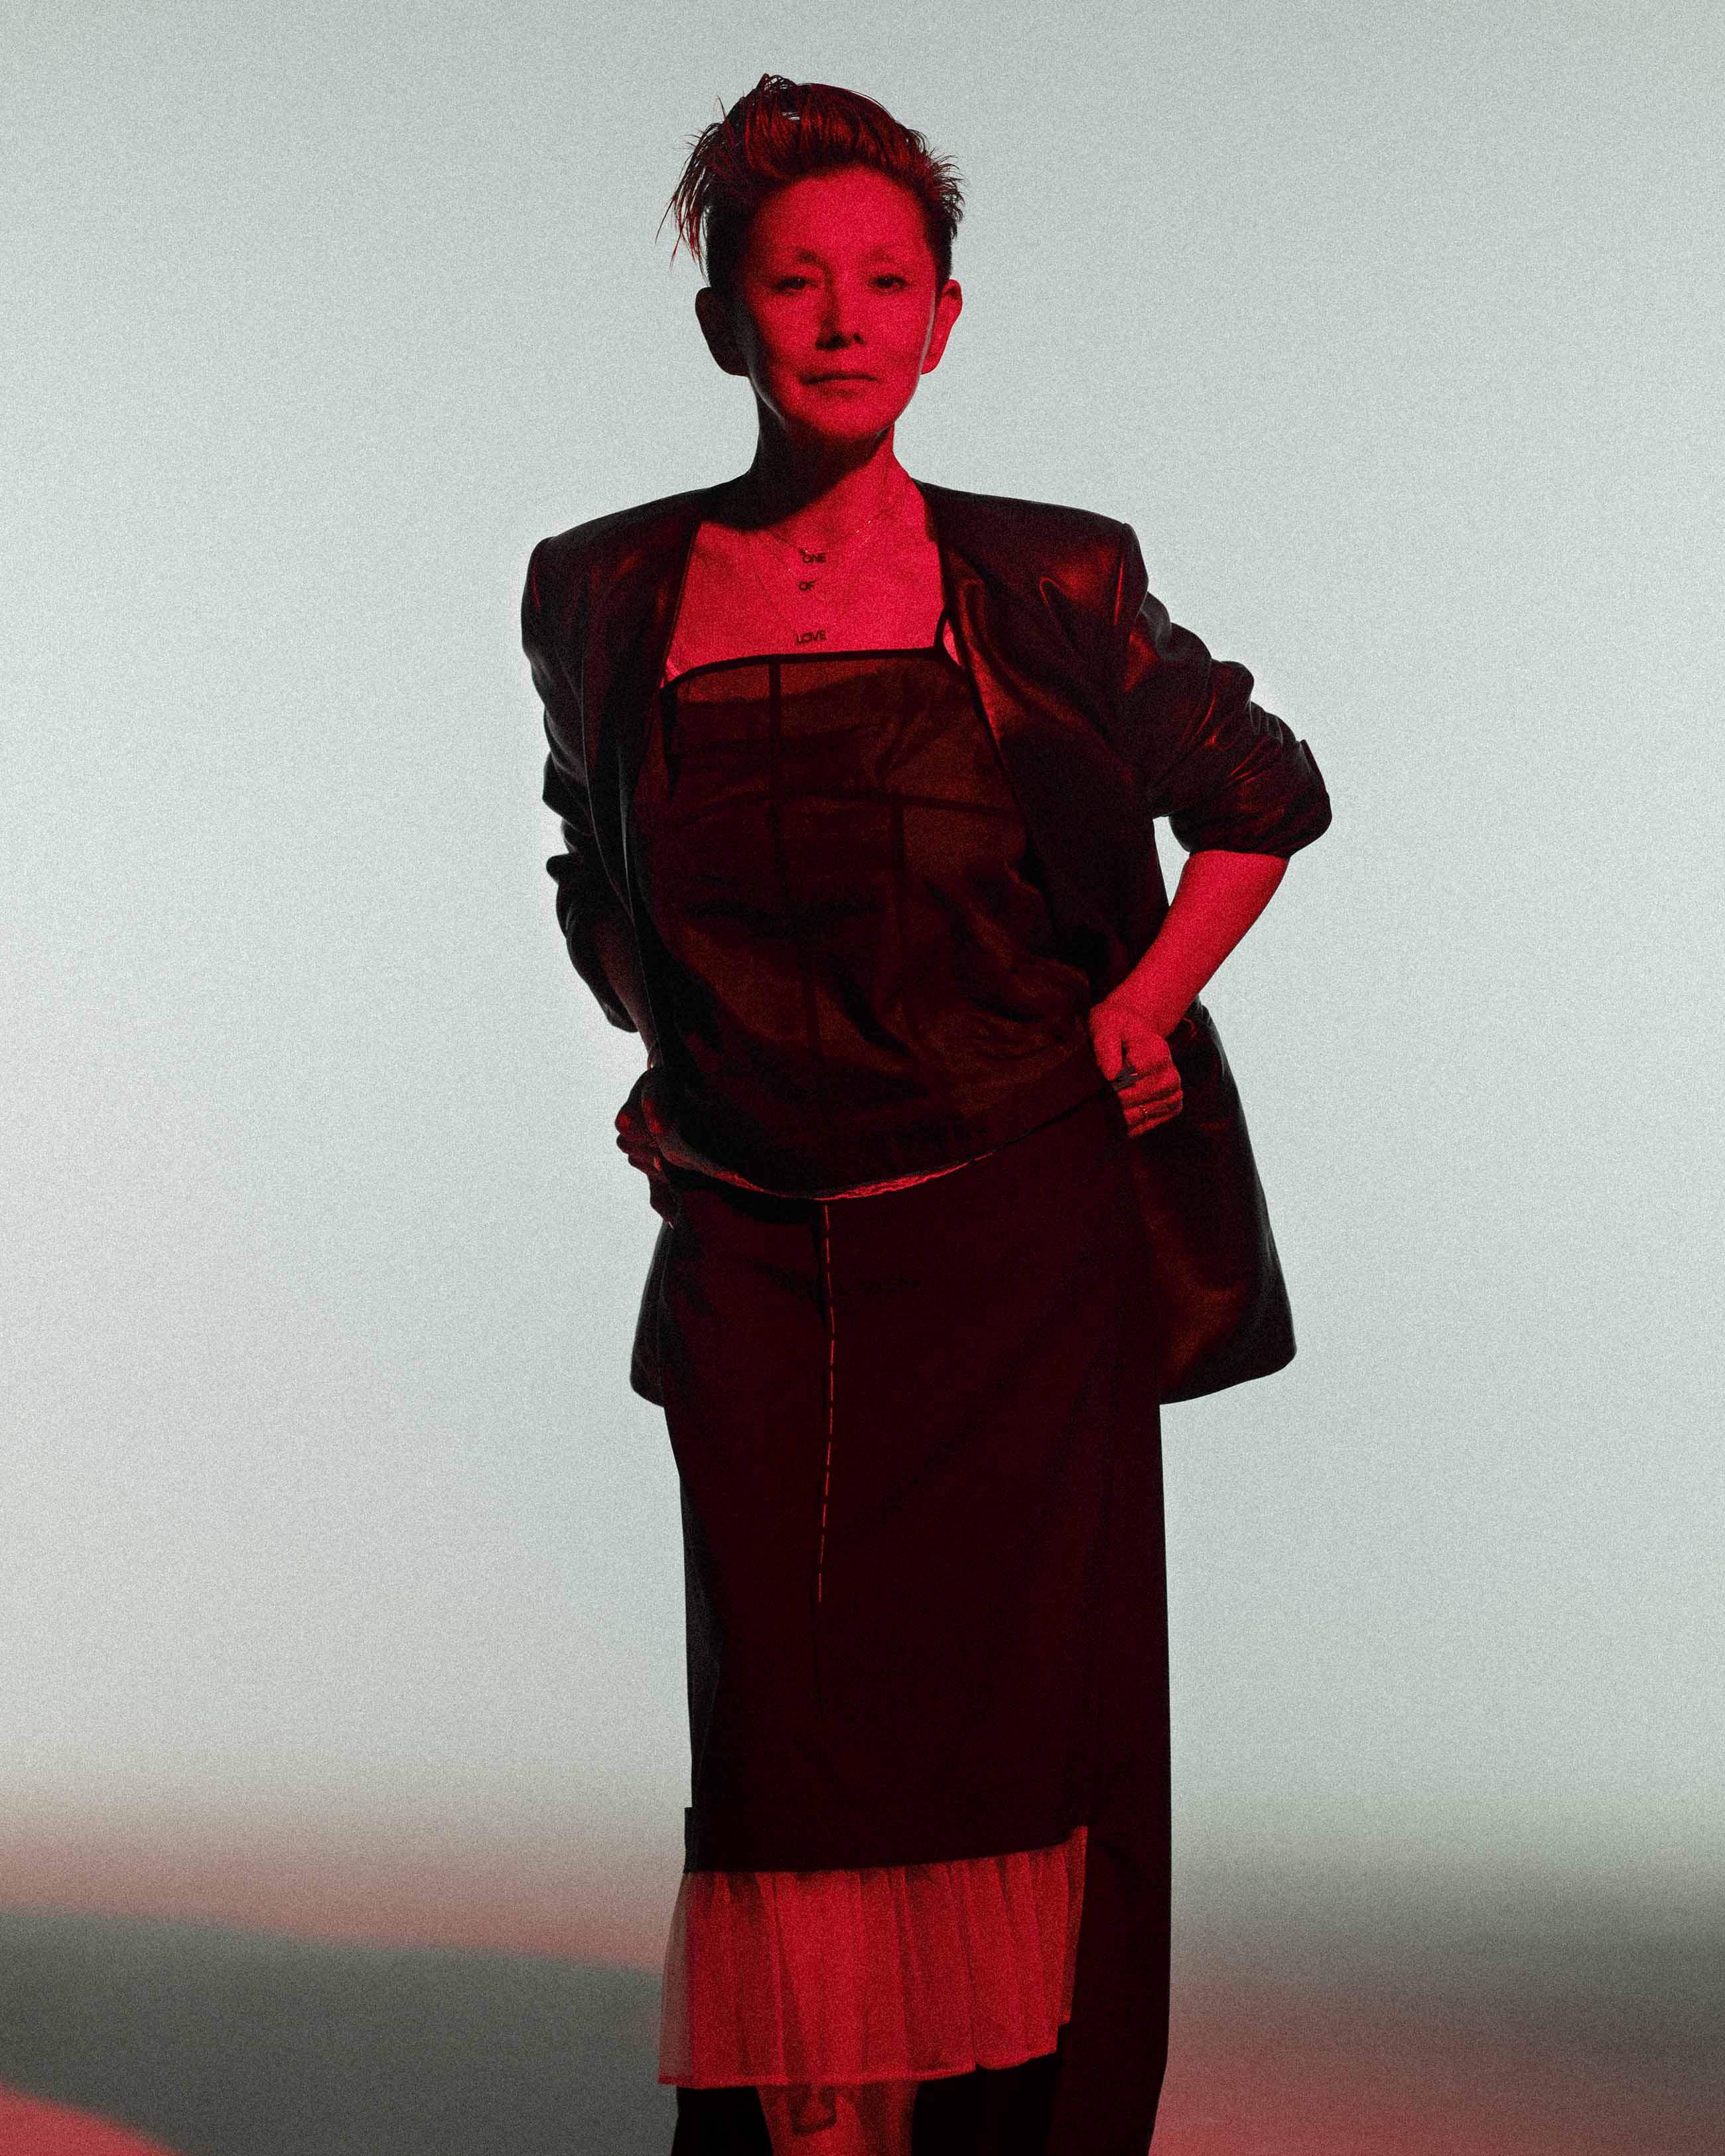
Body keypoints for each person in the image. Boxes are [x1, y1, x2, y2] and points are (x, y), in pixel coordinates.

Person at [520, 75, 1333, 2156]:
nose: (842, 318)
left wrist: (1138, 1008)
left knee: (1013, 1736)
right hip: (753, 1263)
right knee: (785, 1753)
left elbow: (1261, 797)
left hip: (1012, 1249)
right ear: (723, 320)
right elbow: (597, 867)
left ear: (947, 321)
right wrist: (667, 1040)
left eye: (886, 281)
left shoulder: (1053, 577)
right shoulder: (600, 590)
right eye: (795, 281)